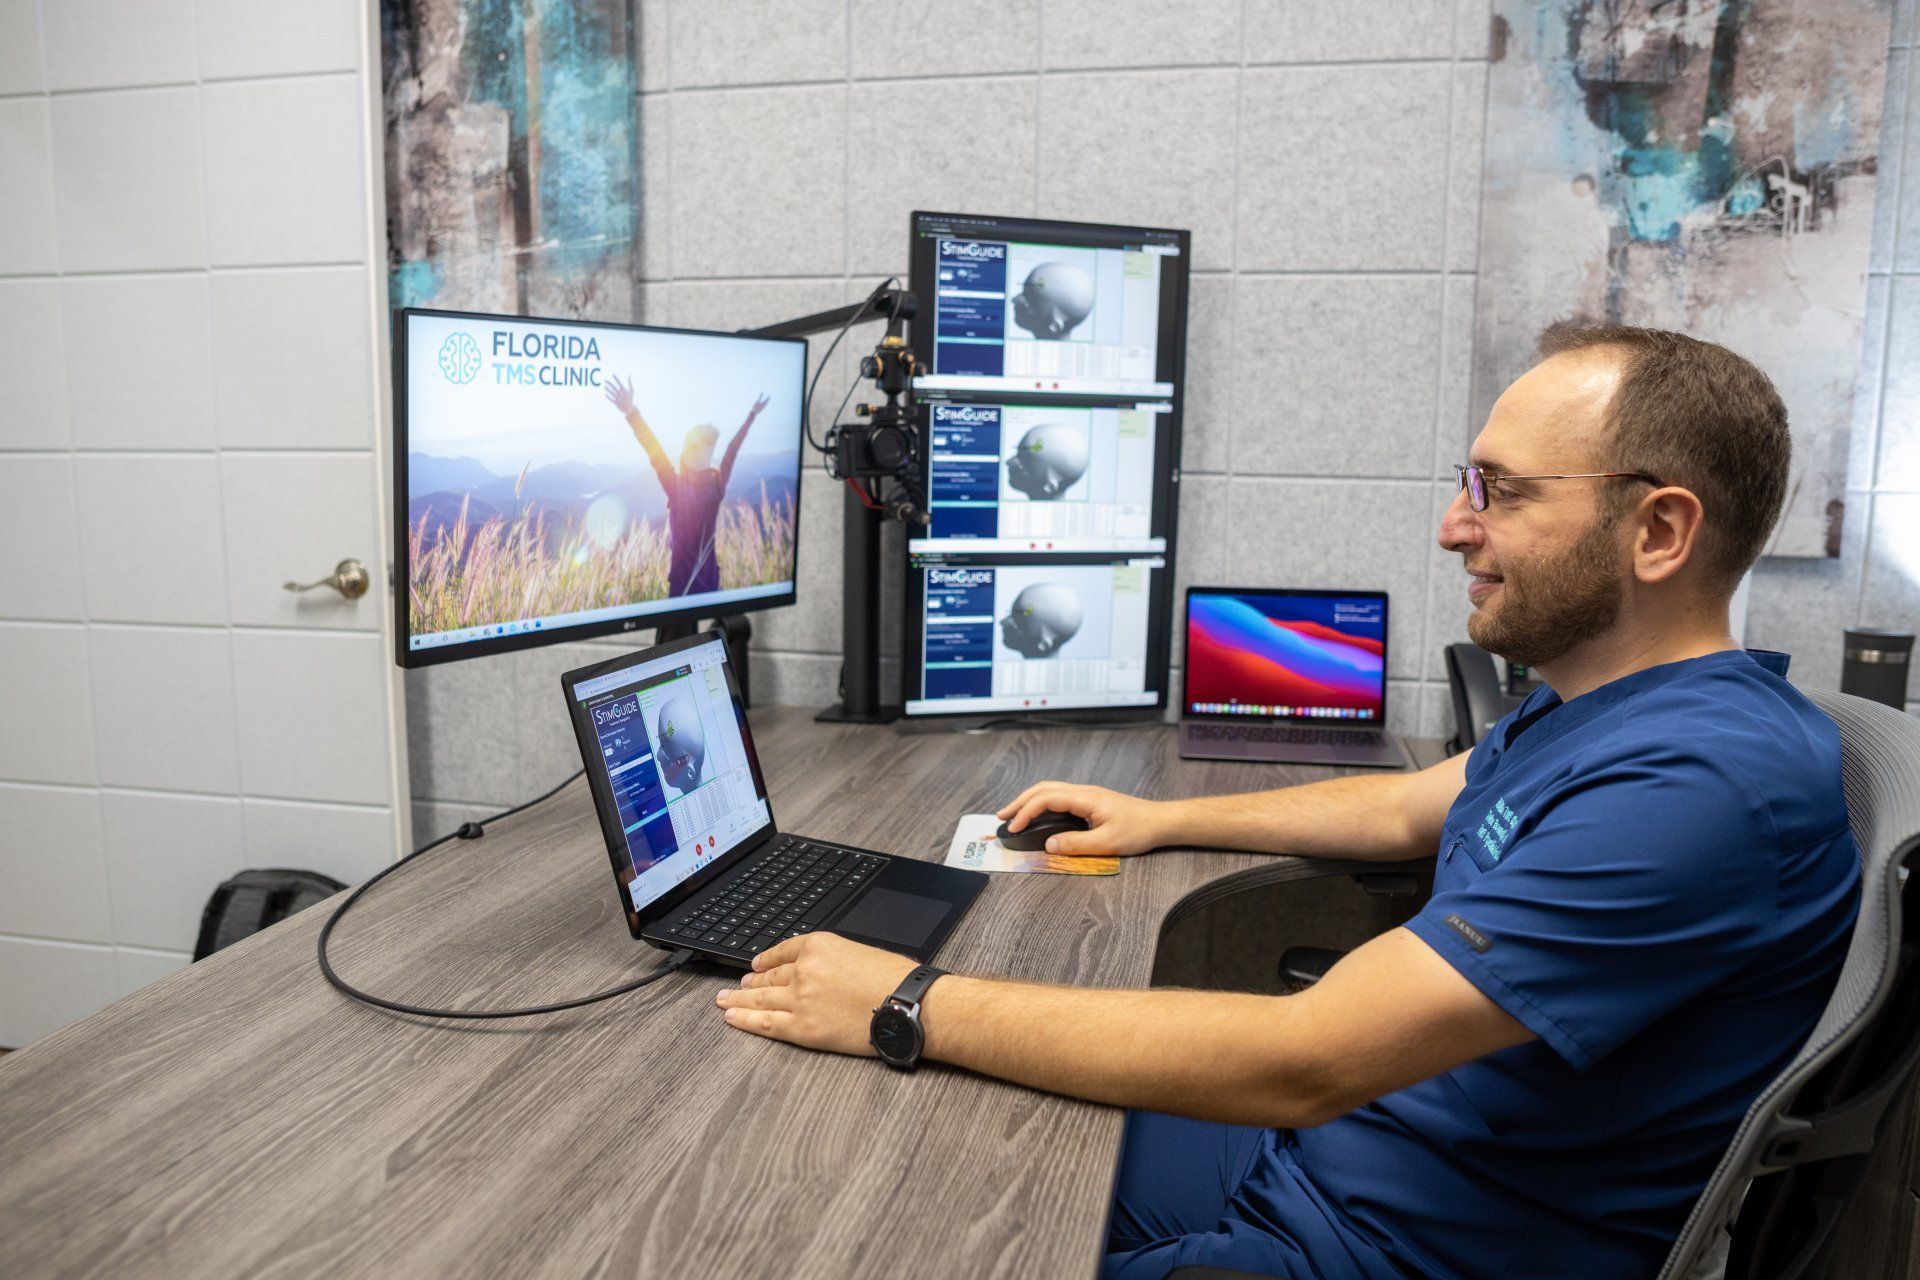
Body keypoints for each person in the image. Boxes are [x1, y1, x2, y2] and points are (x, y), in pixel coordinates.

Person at [711, 327, 1862, 1280]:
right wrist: (1166, 818)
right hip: (1344, 1158)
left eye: (1499, 492)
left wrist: (907, 999)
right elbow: (1419, 804)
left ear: (1658, 530)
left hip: (1398, 1247)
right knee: (915, 1159)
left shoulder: (1703, 784)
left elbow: (1309, 1052)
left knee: (895, 1230)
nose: (1456, 525)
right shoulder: (1609, 707)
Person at [604, 375, 768, 597]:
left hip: (687, 588)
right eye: (697, 448)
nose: (702, 455)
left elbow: (730, 450)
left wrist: (632, 413)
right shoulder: (708, 485)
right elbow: (657, 452)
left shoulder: (689, 486)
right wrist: (632, 413)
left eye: (707, 450)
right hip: (702, 586)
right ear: (688, 451)